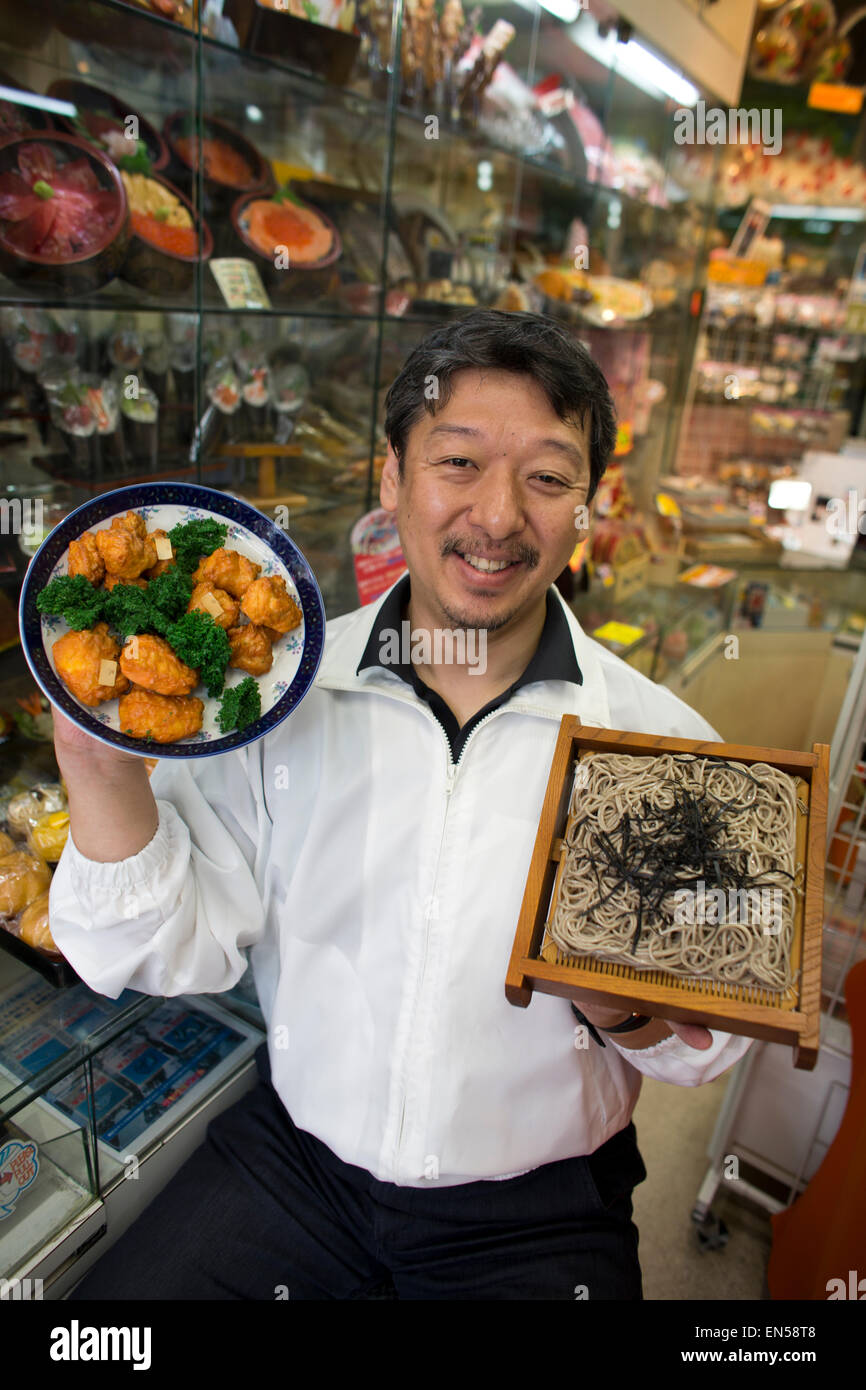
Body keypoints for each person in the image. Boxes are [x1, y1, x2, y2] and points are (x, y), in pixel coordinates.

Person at [50, 310, 751, 1301]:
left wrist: (620, 1004)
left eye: (548, 478)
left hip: (536, 1208)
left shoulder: (661, 747)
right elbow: (154, 953)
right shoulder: (273, 696)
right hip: (297, 1164)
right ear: (391, 477)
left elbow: (712, 1046)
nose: (497, 516)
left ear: (587, 508)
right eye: (457, 462)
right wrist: (99, 769)